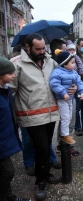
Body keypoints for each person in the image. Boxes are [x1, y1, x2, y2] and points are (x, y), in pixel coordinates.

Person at [9, 33, 61, 199]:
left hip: (50, 113)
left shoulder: (51, 62)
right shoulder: (17, 64)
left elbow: (59, 81)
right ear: (27, 47)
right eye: (37, 49)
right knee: (42, 148)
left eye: (43, 48)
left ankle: (45, 174)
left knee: (45, 148)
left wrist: (71, 88)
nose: (41, 52)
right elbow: (9, 90)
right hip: (31, 116)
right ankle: (41, 181)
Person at [0, 56, 31, 201]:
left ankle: (9, 197)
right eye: (10, 73)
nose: (13, 75)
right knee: (7, 172)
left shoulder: (5, 91)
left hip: (5, 139)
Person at [50, 50, 83, 145]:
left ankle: (67, 135)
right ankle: (64, 135)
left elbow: (79, 82)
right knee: (65, 117)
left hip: (70, 98)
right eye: (72, 63)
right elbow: (54, 84)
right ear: (65, 64)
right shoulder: (57, 72)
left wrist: (81, 91)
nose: (74, 65)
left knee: (69, 117)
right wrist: (63, 93)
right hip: (62, 99)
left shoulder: (73, 72)